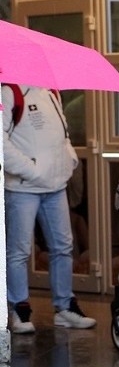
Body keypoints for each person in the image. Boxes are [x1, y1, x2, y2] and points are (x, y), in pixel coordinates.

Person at [3, 84, 97, 333]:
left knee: (63, 247)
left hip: (55, 186)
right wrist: (31, 169)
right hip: (23, 188)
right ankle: (18, 310)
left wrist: (69, 161)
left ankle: (65, 308)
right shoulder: (10, 92)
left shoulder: (51, 92)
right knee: (19, 251)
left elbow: (63, 135)